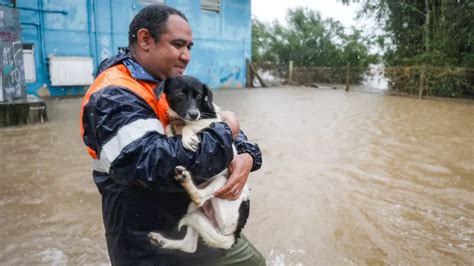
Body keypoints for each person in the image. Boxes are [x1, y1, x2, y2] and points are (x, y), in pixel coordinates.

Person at [80, 4, 265, 266]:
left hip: (200, 217)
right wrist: (227, 130)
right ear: (145, 39)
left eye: (189, 47)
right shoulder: (112, 94)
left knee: (253, 263)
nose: (186, 56)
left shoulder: (174, 82)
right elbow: (159, 165)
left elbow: (214, 118)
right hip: (147, 240)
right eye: (178, 45)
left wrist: (246, 154)